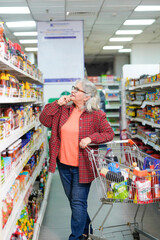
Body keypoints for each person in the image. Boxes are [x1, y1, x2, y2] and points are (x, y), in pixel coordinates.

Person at [39, 79, 114, 240]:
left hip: (84, 166)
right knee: (74, 201)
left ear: (86, 97)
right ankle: (87, 229)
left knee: (78, 202)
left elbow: (109, 134)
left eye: (76, 89)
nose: (72, 91)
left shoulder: (96, 115)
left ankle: (76, 237)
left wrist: (91, 138)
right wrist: (57, 104)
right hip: (63, 164)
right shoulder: (64, 109)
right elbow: (44, 120)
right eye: (73, 88)